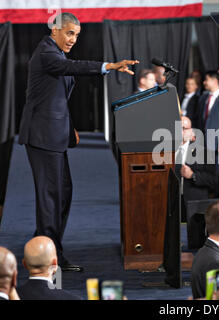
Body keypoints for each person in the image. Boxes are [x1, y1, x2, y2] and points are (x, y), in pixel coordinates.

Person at [18, 12, 139, 272]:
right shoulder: (46, 52)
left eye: (77, 35)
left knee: (62, 194)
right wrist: (109, 66)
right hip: (42, 137)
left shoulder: (57, 53)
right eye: (70, 33)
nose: (73, 39)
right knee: (51, 197)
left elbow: (53, 97)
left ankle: (44, 245)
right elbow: (72, 68)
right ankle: (49, 257)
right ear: (55, 30)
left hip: (54, 134)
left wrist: (68, 126)